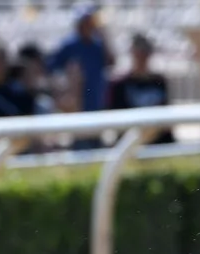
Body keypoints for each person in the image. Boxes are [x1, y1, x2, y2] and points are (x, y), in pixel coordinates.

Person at [49, 3, 114, 148]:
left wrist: (104, 36)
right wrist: (65, 90)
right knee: (80, 145)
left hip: (95, 102)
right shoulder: (68, 45)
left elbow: (111, 62)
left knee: (96, 144)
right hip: (77, 105)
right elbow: (53, 70)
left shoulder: (98, 45)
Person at [108, 33, 173, 144]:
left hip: (157, 143)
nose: (142, 58)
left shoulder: (159, 82)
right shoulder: (119, 85)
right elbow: (115, 120)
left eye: (145, 53)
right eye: (138, 53)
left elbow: (165, 116)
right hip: (129, 144)